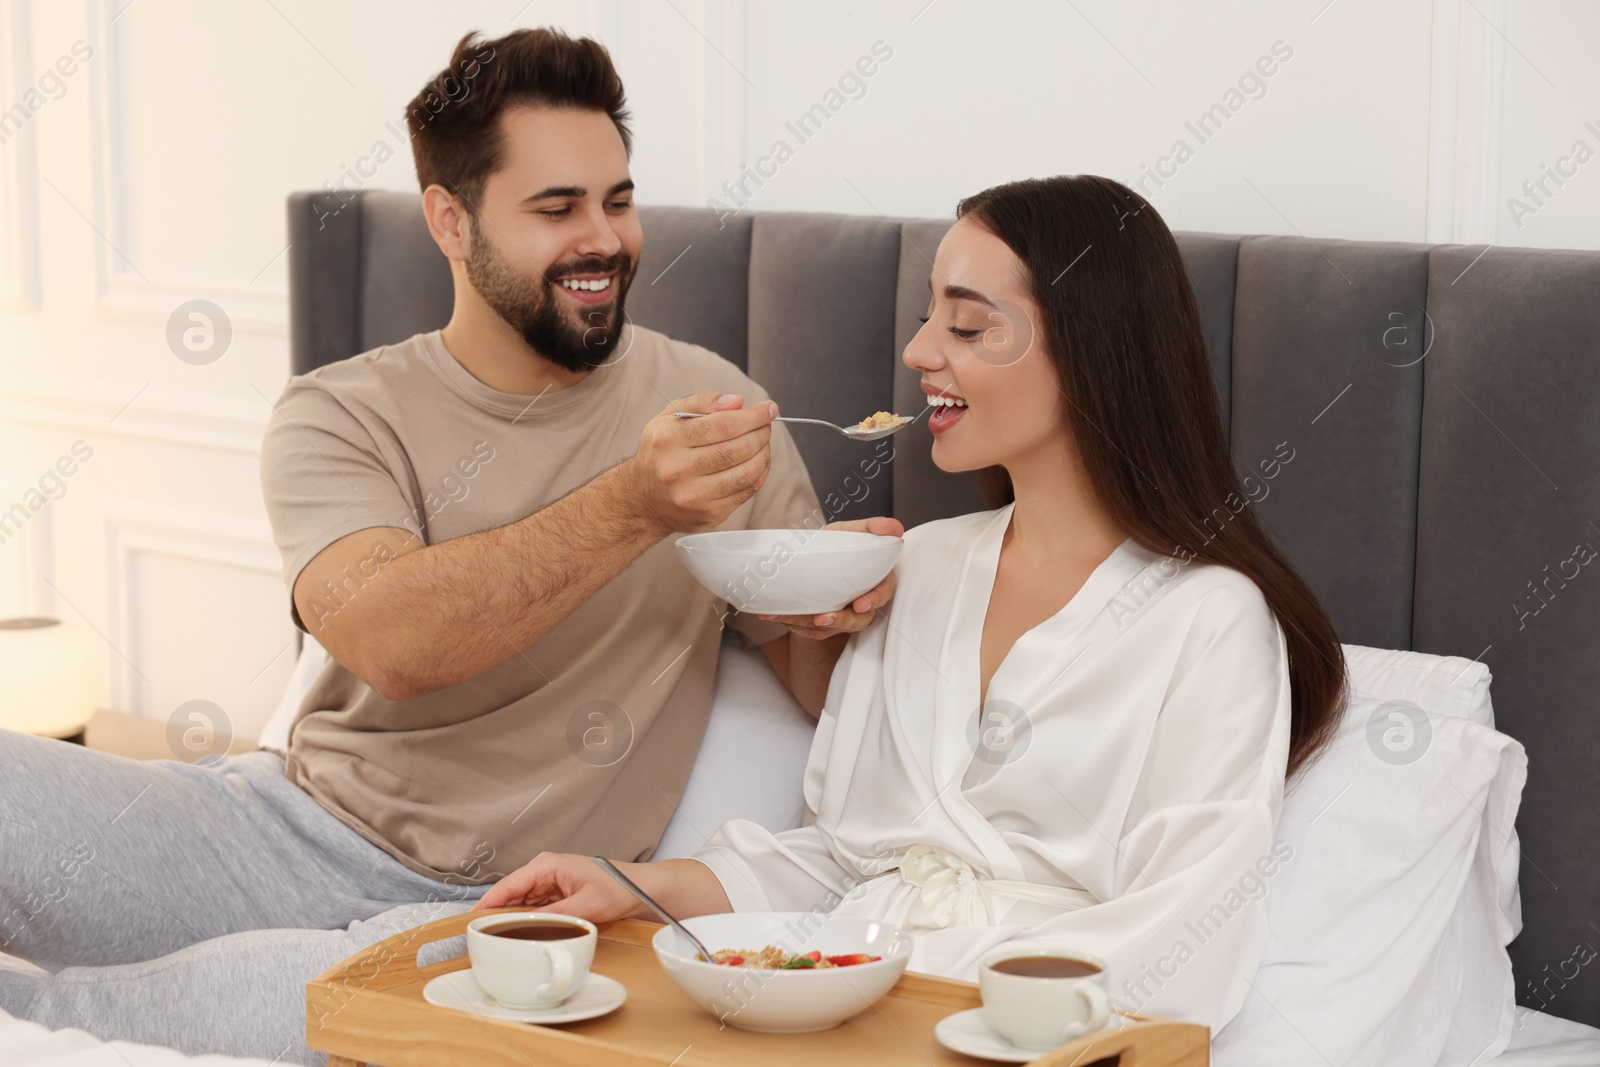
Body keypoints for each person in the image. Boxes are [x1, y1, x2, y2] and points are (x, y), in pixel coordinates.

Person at [0, 28, 894, 1064]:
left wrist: (837, 614)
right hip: (276, 828)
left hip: (506, 909)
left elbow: (816, 688)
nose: (603, 239)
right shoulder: (342, 412)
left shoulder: (713, 417)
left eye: (617, 199)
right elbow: (393, 641)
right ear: (448, 220)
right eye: (556, 209)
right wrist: (638, 503)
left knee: (73, 1027)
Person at [475, 174, 1348, 1030]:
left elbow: (1187, 941)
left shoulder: (1210, 619)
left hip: (1031, 1033)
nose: (921, 350)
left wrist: (903, 972)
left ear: (1091, 348)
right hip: (856, 1009)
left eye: (967, 324)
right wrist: (636, 885)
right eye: (929, 315)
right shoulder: (917, 567)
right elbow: (843, 864)